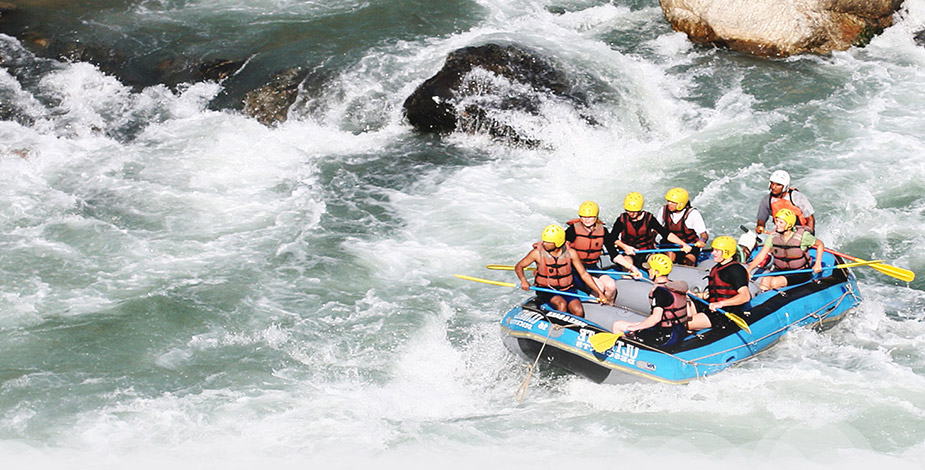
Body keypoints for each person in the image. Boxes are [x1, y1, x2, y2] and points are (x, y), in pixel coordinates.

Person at [515, 224, 606, 317]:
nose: (544, 244)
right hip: (546, 289)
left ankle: (573, 329)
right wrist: (523, 280)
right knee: (561, 304)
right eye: (544, 241)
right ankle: (557, 328)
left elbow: (584, 274)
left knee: (578, 311)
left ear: (558, 242)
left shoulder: (571, 253)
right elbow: (519, 266)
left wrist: (599, 293)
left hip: (567, 289)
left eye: (548, 242)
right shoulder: (536, 253)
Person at [611, 254, 690, 347]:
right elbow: (688, 313)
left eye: (650, 269)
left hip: (665, 337)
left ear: (656, 272)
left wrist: (636, 328)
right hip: (679, 332)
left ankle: (633, 353)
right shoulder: (674, 286)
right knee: (630, 324)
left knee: (618, 326)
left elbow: (656, 318)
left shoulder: (660, 292)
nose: (648, 270)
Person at [606, 191, 693, 270]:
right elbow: (612, 238)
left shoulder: (649, 218)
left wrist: (683, 244)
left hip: (647, 252)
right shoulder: (622, 219)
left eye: (634, 211)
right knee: (627, 266)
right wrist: (625, 247)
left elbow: (665, 234)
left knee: (657, 266)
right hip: (629, 253)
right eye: (628, 211)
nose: (631, 214)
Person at [564, 201, 630, 304]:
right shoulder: (572, 230)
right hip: (576, 269)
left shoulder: (603, 231)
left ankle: (609, 308)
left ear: (596, 217)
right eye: (584, 217)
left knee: (611, 285)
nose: (586, 220)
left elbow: (614, 254)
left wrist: (631, 267)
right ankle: (593, 306)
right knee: (599, 286)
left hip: (592, 267)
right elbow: (561, 249)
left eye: (590, 217)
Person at [747, 208, 824, 291]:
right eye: (776, 221)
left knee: (774, 283)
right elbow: (761, 255)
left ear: (789, 224)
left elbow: (820, 244)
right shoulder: (773, 236)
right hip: (780, 270)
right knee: (764, 281)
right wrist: (749, 269)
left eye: (781, 222)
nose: (777, 224)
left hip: (800, 272)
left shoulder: (803, 236)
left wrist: (817, 263)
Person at [688, 236, 752, 331]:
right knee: (680, 312)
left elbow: (745, 296)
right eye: (713, 250)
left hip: (725, 311)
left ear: (727, 252)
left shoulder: (736, 270)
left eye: (717, 251)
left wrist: (720, 304)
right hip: (711, 305)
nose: (712, 253)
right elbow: (717, 292)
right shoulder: (717, 267)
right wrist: (696, 295)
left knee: (686, 323)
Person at [655, 187, 708, 266]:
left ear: (681, 204)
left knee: (689, 261)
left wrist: (702, 241)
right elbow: (656, 229)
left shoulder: (693, 214)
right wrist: (651, 241)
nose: (669, 204)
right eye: (668, 201)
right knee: (670, 258)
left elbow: (703, 234)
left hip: (689, 246)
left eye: (673, 202)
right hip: (670, 245)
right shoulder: (663, 210)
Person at [756, 170, 816, 234]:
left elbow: (810, 218)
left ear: (785, 186)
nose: (773, 187)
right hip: (781, 233)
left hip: (801, 232)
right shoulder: (767, 200)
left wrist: (809, 236)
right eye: (772, 183)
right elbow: (761, 220)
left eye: (778, 185)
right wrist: (760, 227)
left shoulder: (796, 197)